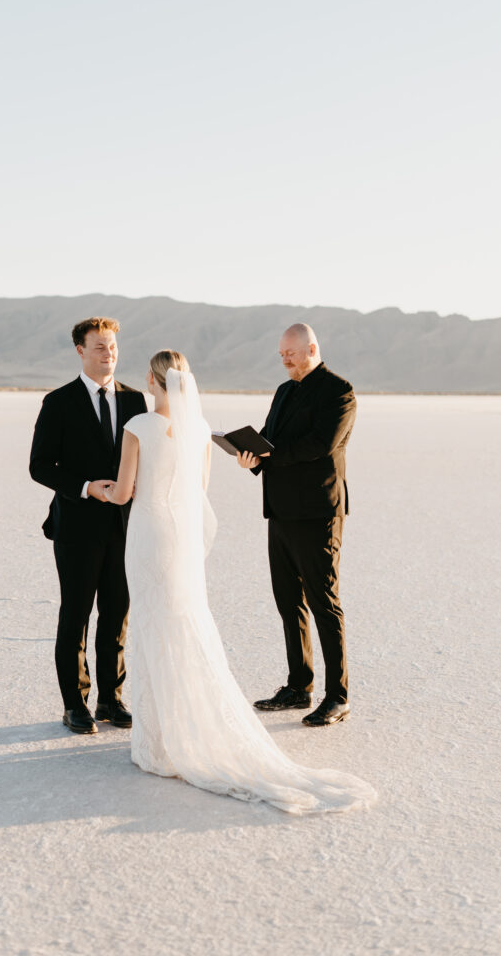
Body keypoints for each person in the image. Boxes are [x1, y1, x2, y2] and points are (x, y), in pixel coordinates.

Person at [103, 349, 375, 815]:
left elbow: (125, 492)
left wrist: (100, 489)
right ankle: (187, 727)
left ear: (152, 380)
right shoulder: (197, 433)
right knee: (184, 624)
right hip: (181, 540)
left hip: (149, 536)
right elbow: (197, 492)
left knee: (153, 627)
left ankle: (159, 742)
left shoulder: (139, 428)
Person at [29, 317, 147, 735]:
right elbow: (40, 466)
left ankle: (110, 699)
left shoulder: (135, 401)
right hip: (77, 527)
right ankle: (74, 704)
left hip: (123, 527)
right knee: (76, 616)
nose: (108, 354)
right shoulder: (58, 402)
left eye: (112, 346)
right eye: (99, 347)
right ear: (80, 350)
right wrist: (85, 487)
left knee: (117, 616)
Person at [237, 323, 356, 727]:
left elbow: (320, 445)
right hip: (281, 512)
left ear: (312, 348)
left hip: (318, 514)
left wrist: (270, 456)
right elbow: (270, 439)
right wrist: (251, 456)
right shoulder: (284, 391)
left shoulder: (339, 391)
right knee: (289, 602)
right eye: (281, 354)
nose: (284, 359)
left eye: (290, 352)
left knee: (324, 603)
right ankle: (298, 686)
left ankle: (337, 696)